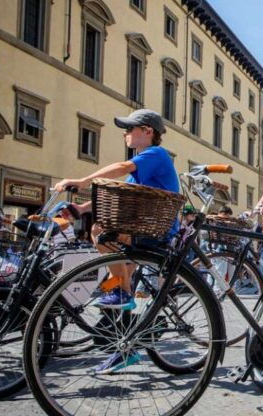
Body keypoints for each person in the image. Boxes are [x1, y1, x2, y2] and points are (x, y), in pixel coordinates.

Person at [54, 108, 178, 374]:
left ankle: (122, 293)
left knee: (100, 231)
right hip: (140, 228)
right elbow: (118, 194)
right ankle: (125, 349)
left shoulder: (156, 154)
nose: (125, 134)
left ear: (148, 131)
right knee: (116, 285)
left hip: (156, 229)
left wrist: (83, 181)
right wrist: (81, 209)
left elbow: (121, 168)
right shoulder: (142, 167)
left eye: (129, 128)